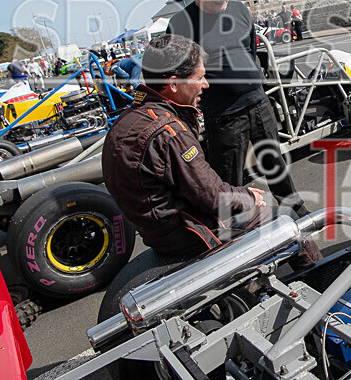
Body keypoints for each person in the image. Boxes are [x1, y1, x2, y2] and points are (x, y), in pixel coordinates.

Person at [102, 34, 321, 264]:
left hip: (161, 232)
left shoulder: (129, 118)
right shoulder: (170, 133)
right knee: (286, 217)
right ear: (174, 84)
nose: (206, 85)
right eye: (200, 78)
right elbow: (213, 197)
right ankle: (320, 277)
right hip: (190, 234)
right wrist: (248, 196)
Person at [166, 0, 309, 217]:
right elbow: (181, 72)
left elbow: (250, 49)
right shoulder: (180, 24)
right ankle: (236, 228)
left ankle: (296, 210)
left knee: (274, 161)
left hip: (257, 101)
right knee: (229, 176)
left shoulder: (240, 10)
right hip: (223, 113)